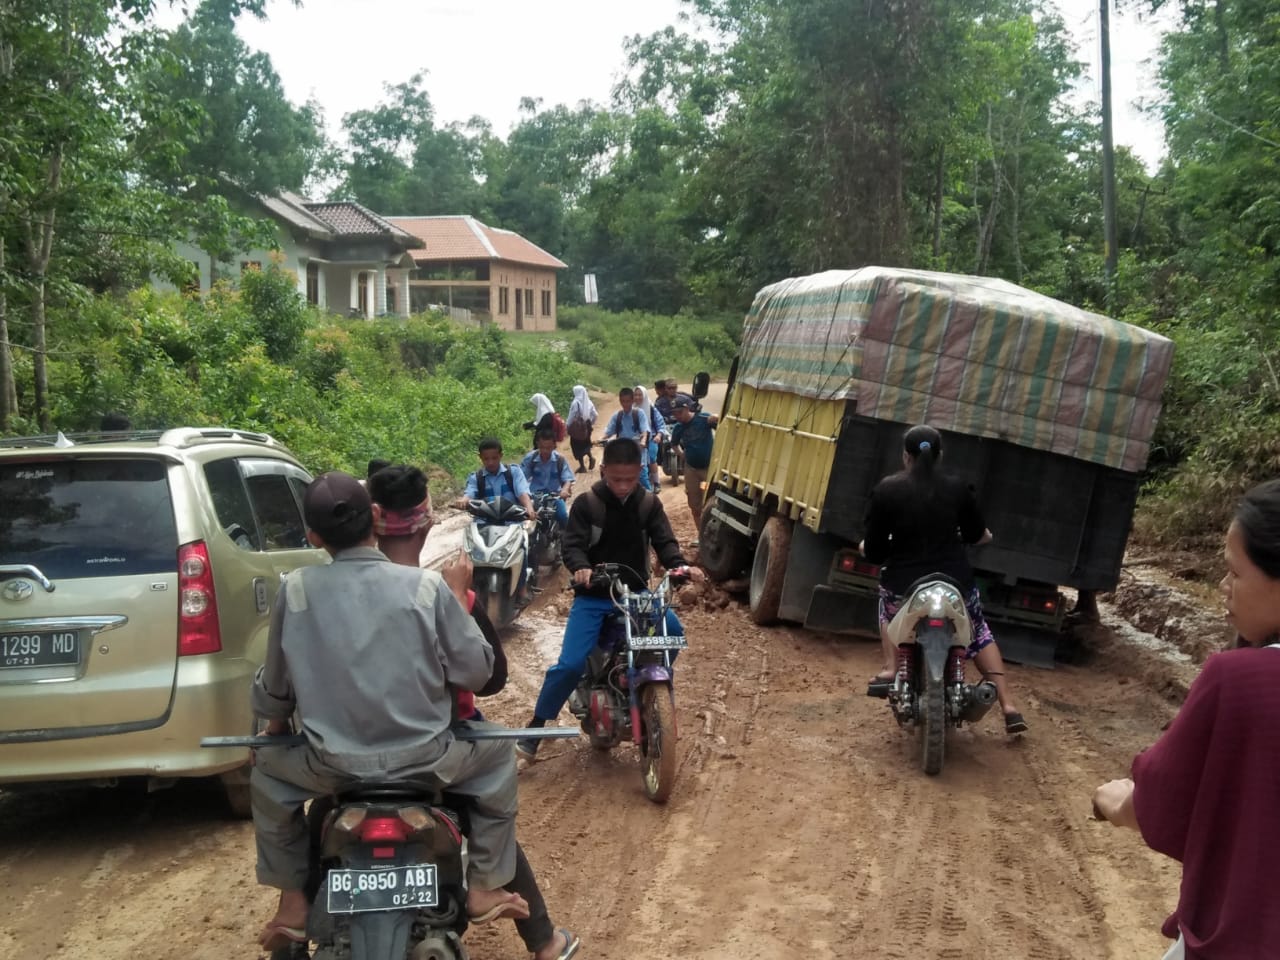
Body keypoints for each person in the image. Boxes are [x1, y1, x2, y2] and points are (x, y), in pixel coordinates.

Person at [249, 471, 531, 953]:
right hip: (427, 759)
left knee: (268, 783)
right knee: (499, 757)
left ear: (314, 537)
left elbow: (276, 690)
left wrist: (274, 729)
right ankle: (484, 886)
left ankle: (293, 900)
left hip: (330, 766)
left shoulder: (294, 590)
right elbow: (479, 673)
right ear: (375, 519)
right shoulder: (426, 588)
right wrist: (462, 605)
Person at [368, 465, 579, 960]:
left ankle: (292, 920)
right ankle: (542, 939)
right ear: (424, 525)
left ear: (372, 523)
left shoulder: (320, 597)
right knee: (491, 809)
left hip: (345, 754)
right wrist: (461, 604)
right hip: (437, 750)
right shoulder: (446, 595)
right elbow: (492, 678)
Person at [1092, 479, 1280, 959]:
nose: (1224, 587)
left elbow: (1161, 805)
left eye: (1234, 573)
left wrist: (1114, 800)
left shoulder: (1240, 680)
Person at [515, 438, 702, 761]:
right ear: (603, 471)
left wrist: (679, 566)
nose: (622, 486)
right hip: (595, 597)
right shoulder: (587, 504)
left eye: (629, 479)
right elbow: (571, 545)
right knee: (571, 663)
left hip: (637, 595)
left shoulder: (648, 504)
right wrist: (582, 568)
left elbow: (665, 542)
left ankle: (640, 689)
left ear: (640, 471)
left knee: (673, 635)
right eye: (615, 479)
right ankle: (537, 724)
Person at [860, 424, 1028, 735]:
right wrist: (977, 537)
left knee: (886, 604)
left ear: (905, 457)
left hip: (903, 584)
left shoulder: (887, 490)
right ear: (940, 455)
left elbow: (874, 551)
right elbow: (978, 535)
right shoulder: (958, 488)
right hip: (954, 582)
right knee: (978, 632)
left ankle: (892, 667)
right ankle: (1008, 706)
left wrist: (870, 547)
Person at [668, 396, 718, 538]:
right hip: (691, 470)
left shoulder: (704, 419)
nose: (676, 416)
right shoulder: (678, 428)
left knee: (710, 500)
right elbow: (674, 444)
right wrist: (682, 455)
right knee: (694, 504)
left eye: (679, 412)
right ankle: (701, 535)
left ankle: (713, 534)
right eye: (674, 413)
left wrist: (716, 418)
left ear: (686, 409)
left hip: (708, 469)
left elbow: (721, 423)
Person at [454, 437, 537, 523]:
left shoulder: (513, 472)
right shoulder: (476, 478)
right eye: (486, 459)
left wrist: (529, 509)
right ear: (480, 457)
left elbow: (522, 493)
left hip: (512, 525)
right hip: (484, 526)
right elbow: (470, 492)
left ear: (501, 456)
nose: (490, 462)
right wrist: (464, 501)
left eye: (494, 458)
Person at [521, 428, 574, 530]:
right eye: (542, 447)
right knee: (525, 518)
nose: (545, 451)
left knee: (562, 516)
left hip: (555, 496)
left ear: (554, 445)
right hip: (535, 495)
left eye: (548, 447)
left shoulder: (560, 460)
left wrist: (564, 490)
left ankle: (566, 539)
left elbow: (567, 479)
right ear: (537, 444)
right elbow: (521, 479)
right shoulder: (530, 458)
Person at [601, 387, 652, 491]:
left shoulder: (639, 413)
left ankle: (650, 499)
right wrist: (600, 439)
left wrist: (643, 440)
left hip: (637, 450)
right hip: (622, 452)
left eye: (628, 401)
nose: (625, 404)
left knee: (642, 475)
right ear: (620, 401)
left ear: (632, 401)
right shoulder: (617, 416)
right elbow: (609, 432)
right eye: (623, 401)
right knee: (612, 473)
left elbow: (645, 430)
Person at [634, 385, 667, 490]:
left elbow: (661, 424)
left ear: (644, 395)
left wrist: (659, 435)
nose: (638, 397)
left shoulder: (651, 409)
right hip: (635, 440)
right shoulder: (631, 409)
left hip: (651, 437)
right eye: (635, 395)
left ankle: (656, 483)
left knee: (652, 459)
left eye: (640, 395)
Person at [565, 385, 598, 474]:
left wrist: (567, 426)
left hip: (578, 428)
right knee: (586, 443)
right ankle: (591, 458)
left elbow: (571, 416)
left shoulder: (576, 403)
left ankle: (582, 467)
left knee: (576, 445)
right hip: (587, 426)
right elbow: (595, 414)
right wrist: (590, 423)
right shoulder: (589, 402)